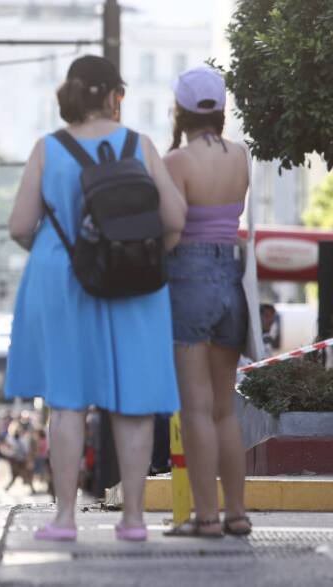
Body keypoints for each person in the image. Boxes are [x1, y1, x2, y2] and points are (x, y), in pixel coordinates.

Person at [6, 55, 186, 542]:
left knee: (67, 402)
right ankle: (132, 520)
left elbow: (21, 226)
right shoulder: (139, 146)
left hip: (64, 282)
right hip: (135, 284)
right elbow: (174, 219)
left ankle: (64, 518)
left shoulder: (48, 148)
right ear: (114, 95)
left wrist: (65, 251)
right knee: (133, 403)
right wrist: (136, 257)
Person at [163, 65, 252, 537]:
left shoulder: (176, 162)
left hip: (189, 281)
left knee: (194, 407)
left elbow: (173, 231)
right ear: (220, 110)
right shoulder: (242, 157)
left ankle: (206, 516)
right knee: (224, 407)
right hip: (230, 281)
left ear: (180, 109)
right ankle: (237, 512)